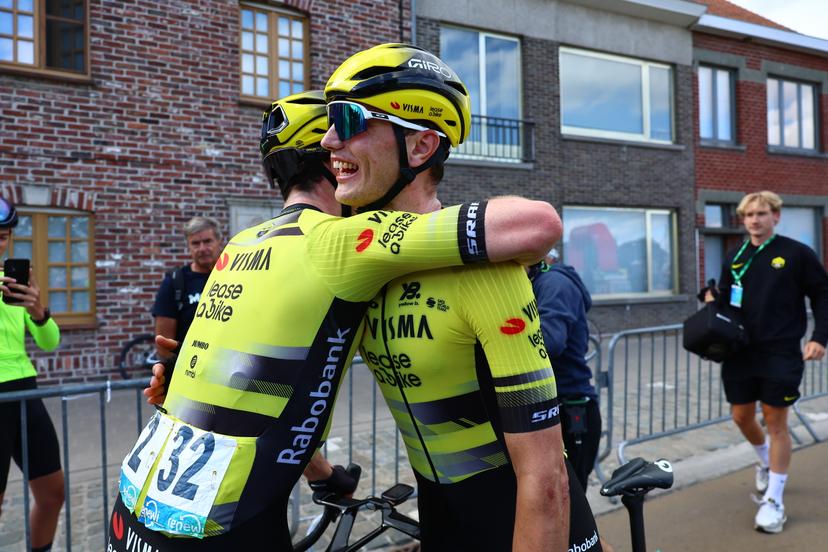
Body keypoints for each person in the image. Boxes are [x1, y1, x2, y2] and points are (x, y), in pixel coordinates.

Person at [111, 88, 561, 550]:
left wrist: (325, 474)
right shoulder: (340, 240)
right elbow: (535, 225)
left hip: (133, 513)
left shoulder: (239, 245)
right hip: (221, 525)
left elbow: (267, 392)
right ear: (331, 167)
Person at [323, 43, 602, 551]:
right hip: (441, 516)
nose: (328, 140)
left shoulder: (485, 272)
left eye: (348, 119)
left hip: (523, 519)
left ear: (422, 147)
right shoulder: (360, 264)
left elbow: (545, 475)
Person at [706, 191, 828, 534]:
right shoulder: (736, 255)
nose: (755, 220)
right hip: (740, 352)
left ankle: (774, 500)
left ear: (776, 216)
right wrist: (711, 301)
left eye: (761, 213)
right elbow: (727, 298)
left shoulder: (796, 253)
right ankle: (766, 463)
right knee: (741, 416)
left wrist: (820, 337)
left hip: (781, 351)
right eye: (749, 215)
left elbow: (822, 293)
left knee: (776, 421)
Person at [0, 198, 64, 552]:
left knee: (53, 494)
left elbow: (49, 341)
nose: (0, 242)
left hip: (25, 391)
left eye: (4, 236)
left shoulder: (11, 283)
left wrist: (38, 310)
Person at [529, 251, 600, 492]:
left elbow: (551, 341)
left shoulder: (553, 283)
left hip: (571, 409)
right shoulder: (538, 281)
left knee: (570, 511)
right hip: (552, 405)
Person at [151, 216, 223, 357]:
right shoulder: (175, 282)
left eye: (207, 241)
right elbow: (164, 346)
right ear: (188, 246)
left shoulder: (234, 275)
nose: (202, 248)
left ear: (219, 242)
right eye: (195, 243)